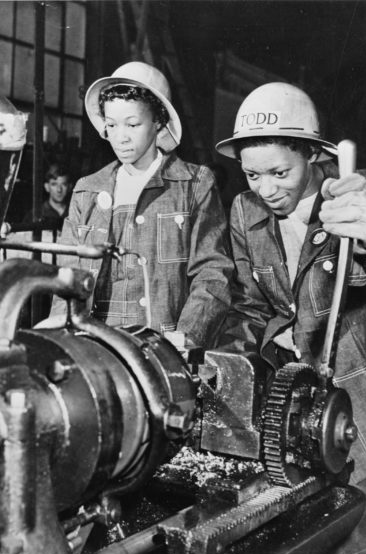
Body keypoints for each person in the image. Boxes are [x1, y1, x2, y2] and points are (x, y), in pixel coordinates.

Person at [215, 82, 366, 554]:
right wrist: (231, 373)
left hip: (359, 401)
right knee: (302, 547)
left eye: (280, 172)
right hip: (293, 404)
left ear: (313, 154)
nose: (265, 188)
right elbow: (249, 303)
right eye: (252, 174)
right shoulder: (246, 212)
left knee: (349, 550)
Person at [43, 61, 233, 349]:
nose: (121, 137)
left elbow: (212, 272)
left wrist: (188, 334)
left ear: (158, 121)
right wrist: (60, 338)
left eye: (133, 124)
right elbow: (68, 279)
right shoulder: (87, 190)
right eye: (111, 125)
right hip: (96, 345)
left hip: (163, 345)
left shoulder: (193, 185)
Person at [22, 163, 72, 229]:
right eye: (54, 184)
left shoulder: (75, 214)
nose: (59, 189)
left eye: (63, 184)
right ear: (47, 187)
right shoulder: (34, 215)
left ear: (70, 187)